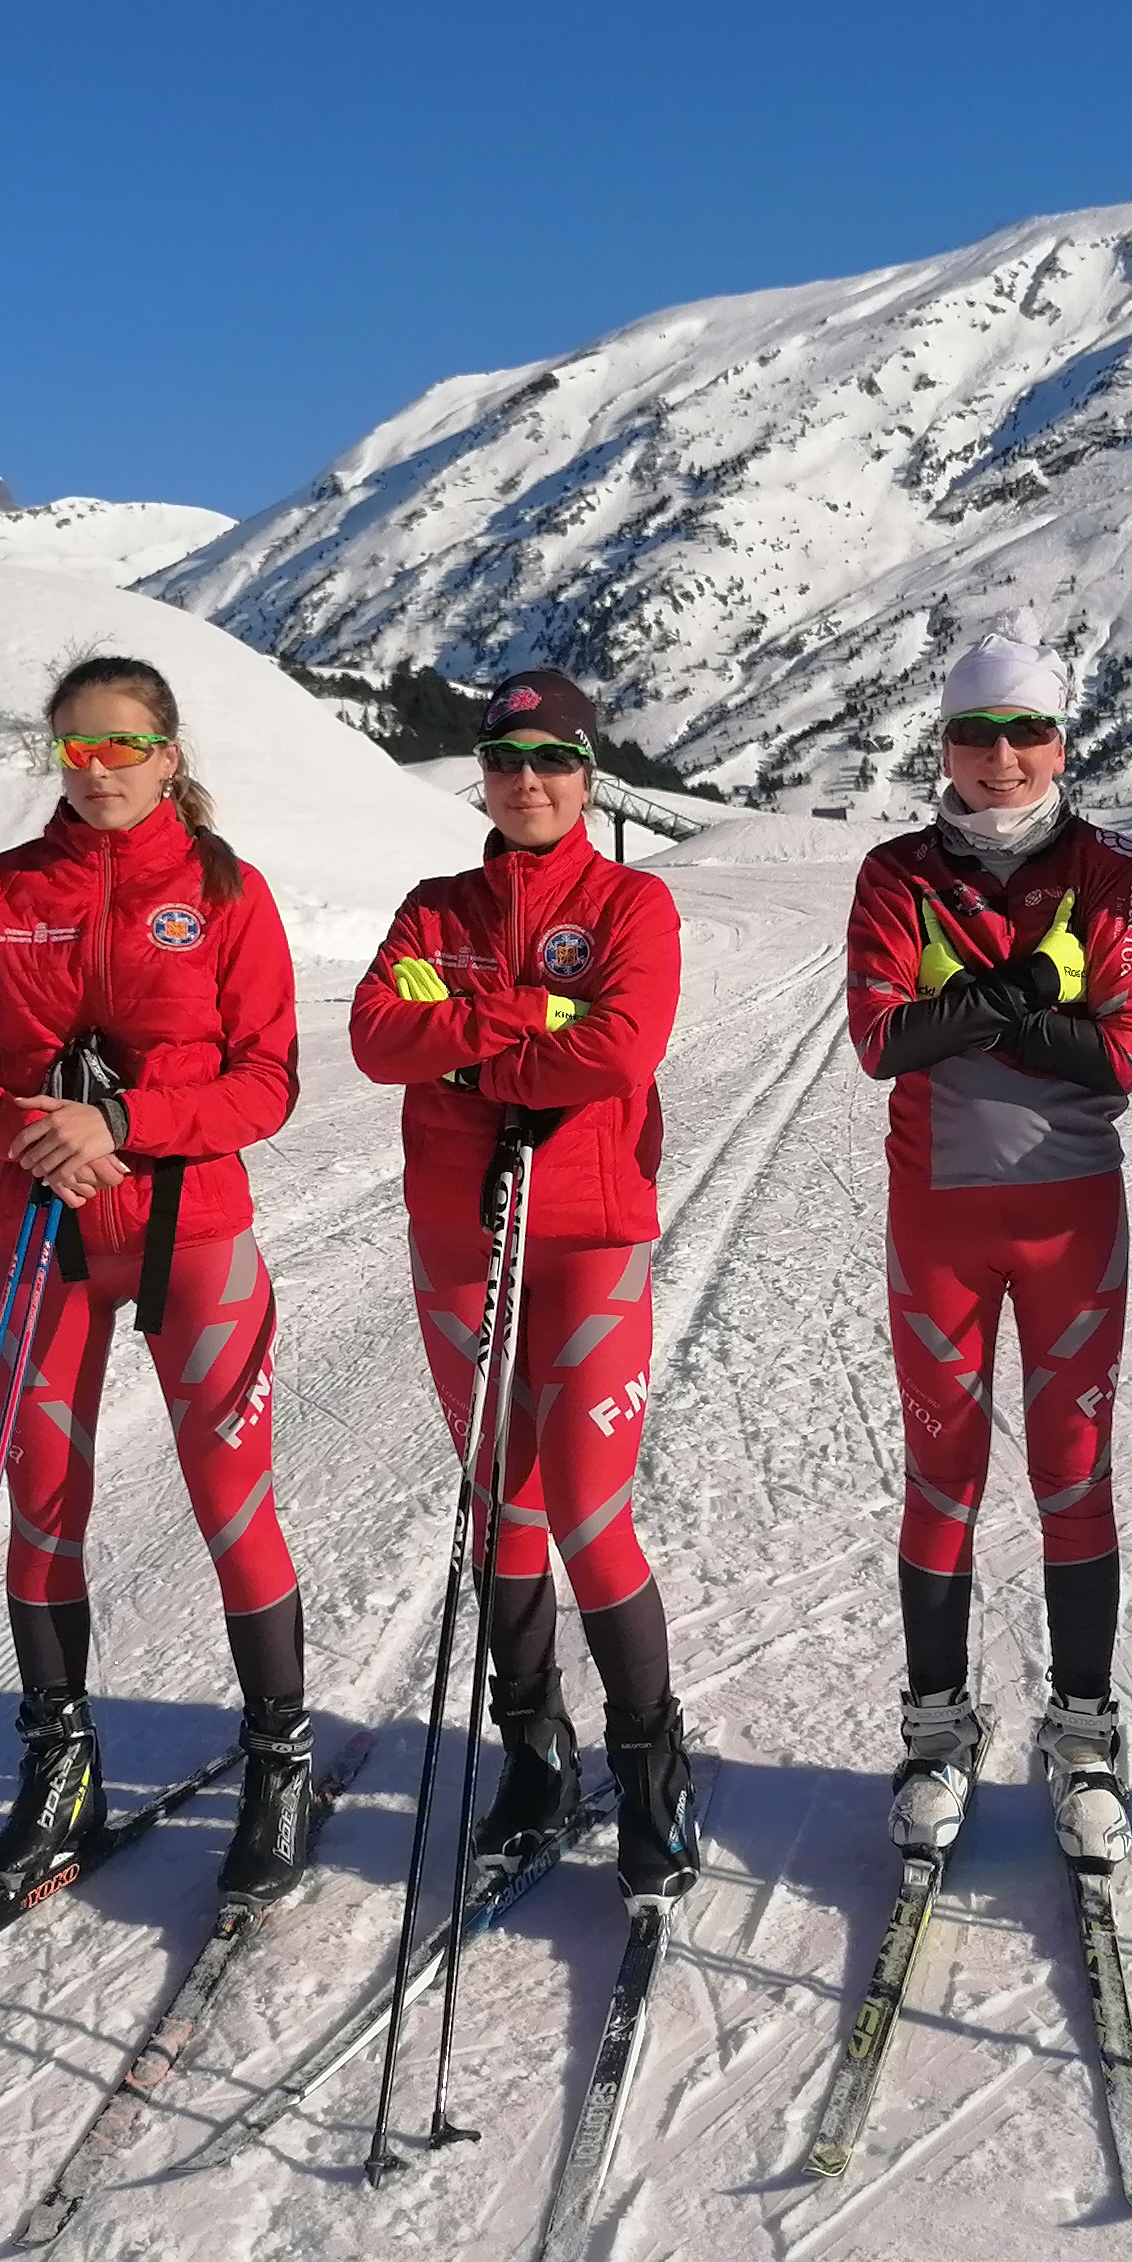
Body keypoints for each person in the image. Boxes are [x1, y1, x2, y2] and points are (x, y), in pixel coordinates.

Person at [0, 656, 321, 1903]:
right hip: (46, 1233)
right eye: (75, 750)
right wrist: (24, 1128)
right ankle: (61, 1765)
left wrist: (126, 1121)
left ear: (168, 755)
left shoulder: (224, 891)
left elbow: (266, 1082)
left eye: (122, 747)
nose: (98, 770)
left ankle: (279, 1761)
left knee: (232, 1501)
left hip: (191, 1229)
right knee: (43, 1504)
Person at [349, 667, 697, 1898]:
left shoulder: (631, 902)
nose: (528, 781)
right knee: (502, 1503)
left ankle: (650, 1772)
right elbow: (374, 1035)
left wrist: (461, 1042)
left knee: (590, 1514)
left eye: (552, 760)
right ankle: (535, 1756)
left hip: (590, 1232)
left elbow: (619, 1050)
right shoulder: (434, 906)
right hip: (462, 1233)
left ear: (587, 776)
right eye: (505, 761)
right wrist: (528, 1011)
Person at [841, 636, 1132, 1867]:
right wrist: (1040, 983)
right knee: (942, 1477)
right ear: (944, 745)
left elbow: (1118, 1056)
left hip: (1070, 1213)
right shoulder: (896, 872)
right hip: (941, 1217)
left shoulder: (1108, 869)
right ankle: (935, 1733)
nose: (1001, 758)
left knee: (1074, 1477)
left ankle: (1083, 1737)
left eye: (1025, 731)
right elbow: (881, 1041)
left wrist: (966, 1003)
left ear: (1060, 742)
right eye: (975, 734)